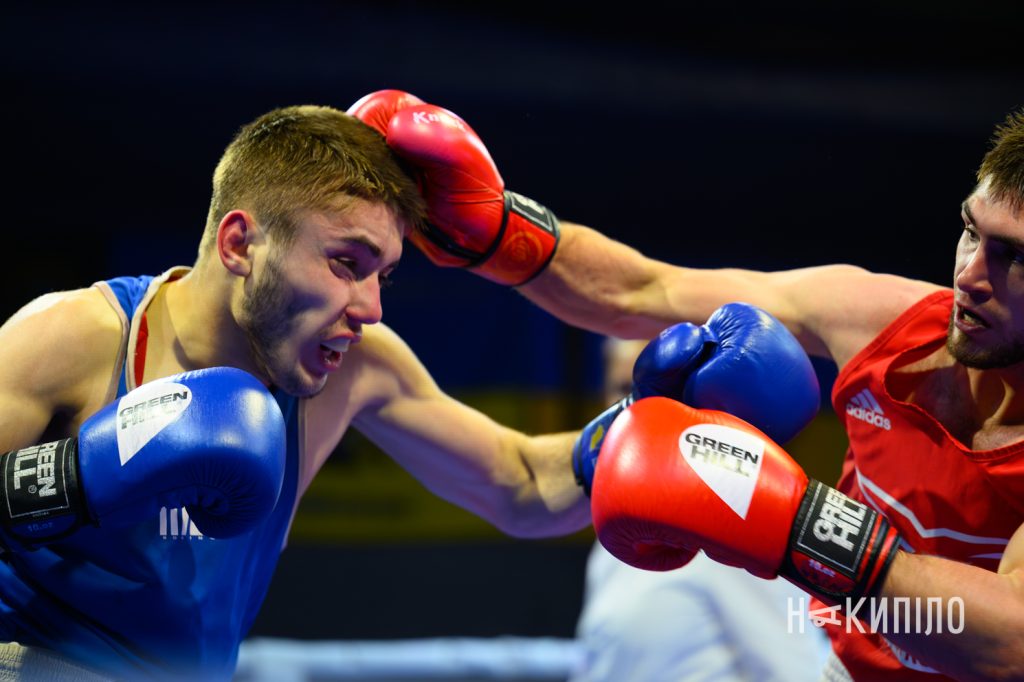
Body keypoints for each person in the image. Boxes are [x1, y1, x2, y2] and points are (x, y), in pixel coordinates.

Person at [0, 96, 805, 681]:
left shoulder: (353, 366)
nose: (370, 307)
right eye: (346, 263)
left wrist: (648, 425)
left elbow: (523, 485)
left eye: (384, 275)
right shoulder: (74, 340)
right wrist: (69, 483)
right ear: (242, 242)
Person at [356, 92, 1024, 681]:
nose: (971, 274)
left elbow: (1010, 644)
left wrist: (797, 525)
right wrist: (499, 231)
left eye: (1013, 255)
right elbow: (644, 288)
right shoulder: (885, 320)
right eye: (971, 231)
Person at [570, 337, 830, 682]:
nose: (635, 409)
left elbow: (795, 671)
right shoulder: (614, 532)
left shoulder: (730, 514)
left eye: (660, 393)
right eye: (623, 390)